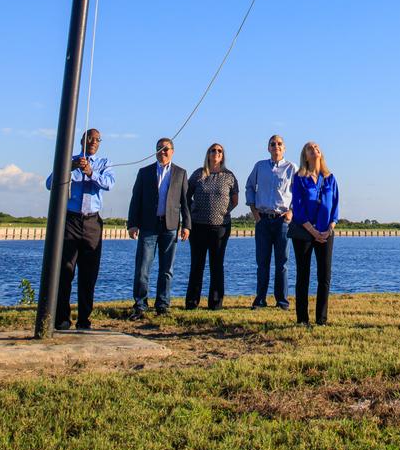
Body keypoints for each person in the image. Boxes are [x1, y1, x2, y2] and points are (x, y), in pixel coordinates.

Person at [45, 127, 114, 331]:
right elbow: (50, 184)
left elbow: (109, 183)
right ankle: (62, 318)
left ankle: (84, 319)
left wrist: (90, 172)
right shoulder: (68, 159)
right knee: (65, 270)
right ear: (81, 141)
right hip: (70, 221)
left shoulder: (104, 163)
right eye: (90, 139)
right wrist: (70, 167)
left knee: (89, 274)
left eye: (97, 140)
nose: (93, 142)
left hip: (92, 222)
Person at [127, 137, 190, 318]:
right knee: (142, 267)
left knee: (167, 268)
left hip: (170, 226)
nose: (163, 152)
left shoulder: (180, 173)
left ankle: (162, 303)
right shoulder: (144, 172)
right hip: (148, 225)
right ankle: (140, 304)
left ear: (172, 151)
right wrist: (132, 224)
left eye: (166, 149)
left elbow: (185, 202)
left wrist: (187, 225)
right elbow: (135, 199)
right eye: (159, 149)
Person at [289, 141, 339, 326]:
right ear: (305, 155)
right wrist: (312, 230)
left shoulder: (330, 178)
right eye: (310, 148)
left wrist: (330, 227)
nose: (314, 149)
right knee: (303, 275)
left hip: (326, 232)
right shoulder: (300, 178)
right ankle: (302, 319)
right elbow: (299, 207)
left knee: (324, 276)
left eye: (317, 147)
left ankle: (322, 319)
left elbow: (335, 205)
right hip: (303, 232)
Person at [185, 142, 239, 310]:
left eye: (219, 151)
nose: (216, 152)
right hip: (198, 226)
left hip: (221, 227)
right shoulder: (198, 174)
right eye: (213, 150)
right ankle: (192, 302)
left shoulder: (229, 176)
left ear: (222, 155)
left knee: (217, 265)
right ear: (208, 154)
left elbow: (235, 200)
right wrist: (193, 211)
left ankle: (215, 303)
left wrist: (223, 211)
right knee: (197, 264)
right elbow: (186, 196)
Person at [245, 135, 296, 310]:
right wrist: (254, 212)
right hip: (263, 221)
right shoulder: (259, 166)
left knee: (282, 263)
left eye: (280, 144)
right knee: (262, 263)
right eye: (273, 144)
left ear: (284, 148)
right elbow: (249, 186)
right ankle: (260, 300)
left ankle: (282, 302)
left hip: (282, 221)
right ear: (268, 148)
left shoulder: (292, 168)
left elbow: (299, 194)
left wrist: (291, 212)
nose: (276, 146)